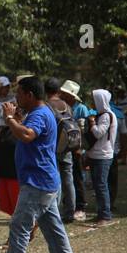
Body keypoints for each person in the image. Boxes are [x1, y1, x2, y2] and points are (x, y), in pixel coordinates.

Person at [0, 76, 82, 253]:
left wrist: (10, 119)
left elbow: (28, 135)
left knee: (19, 224)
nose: (16, 97)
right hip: (43, 180)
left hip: (37, 181)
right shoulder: (39, 112)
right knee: (53, 228)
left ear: (30, 95)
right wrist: (18, 119)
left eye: (19, 93)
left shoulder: (40, 113)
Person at [44, 79, 79, 223]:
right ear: (58, 91)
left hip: (53, 147)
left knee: (56, 179)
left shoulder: (46, 106)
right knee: (68, 180)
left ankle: (56, 212)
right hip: (68, 147)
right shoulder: (67, 105)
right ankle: (70, 212)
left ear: (45, 91)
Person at [84, 88, 118, 225]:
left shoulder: (106, 116)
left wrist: (92, 122)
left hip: (103, 156)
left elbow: (98, 133)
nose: (92, 102)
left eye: (93, 99)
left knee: (101, 185)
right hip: (96, 155)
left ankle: (105, 216)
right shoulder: (102, 115)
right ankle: (101, 214)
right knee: (98, 186)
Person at [60, 80, 89, 220]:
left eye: (65, 94)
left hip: (76, 148)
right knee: (66, 179)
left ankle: (81, 206)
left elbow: (82, 130)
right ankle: (68, 205)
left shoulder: (80, 109)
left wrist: (79, 148)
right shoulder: (63, 107)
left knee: (77, 178)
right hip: (65, 147)